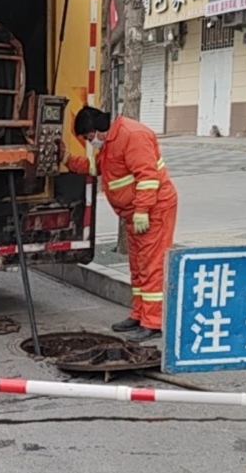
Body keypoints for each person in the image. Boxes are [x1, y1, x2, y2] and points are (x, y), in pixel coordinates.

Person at [61, 106, 178, 342]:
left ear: (97, 130)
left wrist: (142, 210)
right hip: (135, 213)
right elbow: (96, 167)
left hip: (154, 210)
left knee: (152, 265)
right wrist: (67, 160)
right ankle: (139, 314)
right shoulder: (111, 141)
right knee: (138, 265)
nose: (90, 142)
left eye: (88, 138)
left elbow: (148, 177)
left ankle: (153, 322)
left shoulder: (132, 135)